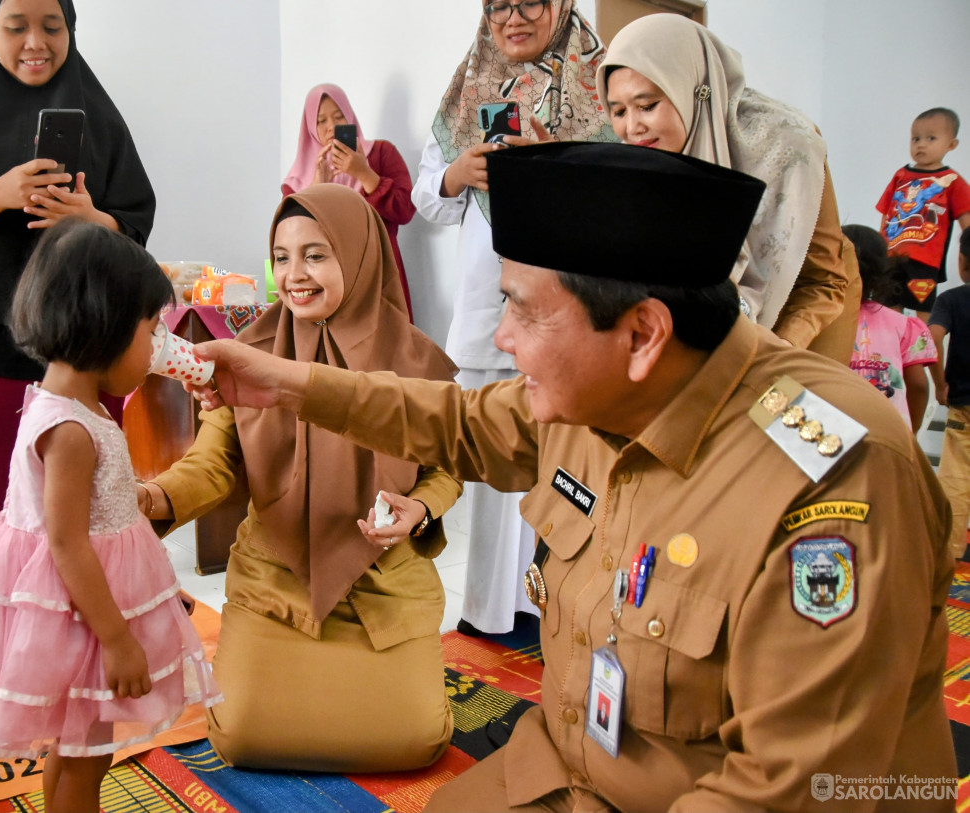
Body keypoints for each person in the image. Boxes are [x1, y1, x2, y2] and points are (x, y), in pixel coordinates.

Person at [186, 142, 955, 811]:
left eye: (521, 308)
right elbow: (450, 422)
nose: (501, 336)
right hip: (564, 771)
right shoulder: (599, 394)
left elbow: (788, 789)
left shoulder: (832, 483)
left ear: (643, 334)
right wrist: (282, 381)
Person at [138, 184, 460, 772]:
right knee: (239, 737)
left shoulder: (416, 360)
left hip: (383, 584)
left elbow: (445, 466)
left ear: (360, 257)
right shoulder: (249, 352)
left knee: (416, 740)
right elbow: (213, 462)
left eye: (316, 254)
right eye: (281, 257)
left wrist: (422, 508)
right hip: (275, 580)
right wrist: (152, 498)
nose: (294, 275)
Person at [0, 0, 156, 691]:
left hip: (81, 358)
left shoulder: (95, 113)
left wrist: (89, 217)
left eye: (53, 25)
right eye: (17, 26)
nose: (37, 43)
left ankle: (70, 679)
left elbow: (134, 223)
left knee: (82, 525)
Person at [0, 219, 219, 812]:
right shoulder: (71, 428)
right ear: (106, 325)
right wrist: (120, 641)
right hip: (86, 617)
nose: (156, 350)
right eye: (151, 332)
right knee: (85, 757)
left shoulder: (69, 403)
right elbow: (68, 544)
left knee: (73, 751)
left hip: (81, 608)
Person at [410, 0, 616, 636]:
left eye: (530, 1)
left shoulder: (601, 78)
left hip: (567, 312)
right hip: (483, 315)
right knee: (490, 472)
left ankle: (547, 604)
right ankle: (489, 613)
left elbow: (620, 189)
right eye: (499, 4)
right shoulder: (471, 80)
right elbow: (427, 202)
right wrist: (457, 173)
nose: (513, 16)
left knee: (563, 465)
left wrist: (555, 168)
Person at [598, 13, 861, 366]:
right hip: (713, 331)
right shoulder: (644, 158)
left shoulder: (788, 145)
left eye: (647, 106)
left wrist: (767, 353)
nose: (632, 127)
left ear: (694, 91)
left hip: (805, 319)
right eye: (617, 111)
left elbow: (823, 281)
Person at [282, 84, 417, 320]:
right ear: (310, 128)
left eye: (338, 116)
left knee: (387, 350)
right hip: (321, 287)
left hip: (378, 278)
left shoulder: (381, 154)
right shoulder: (297, 181)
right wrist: (316, 189)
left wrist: (364, 173)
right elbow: (290, 241)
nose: (331, 126)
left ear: (350, 116)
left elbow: (405, 210)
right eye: (321, 120)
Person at [877, 107, 970, 320]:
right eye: (915, 138)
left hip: (924, 260)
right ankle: (892, 351)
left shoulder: (951, 180)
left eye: (931, 138)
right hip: (892, 257)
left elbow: (967, 220)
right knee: (889, 309)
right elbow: (886, 212)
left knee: (924, 314)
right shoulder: (901, 175)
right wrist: (881, 247)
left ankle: (923, 351)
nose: (921, 144)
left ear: (951, 144)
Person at [843, 224, 936, 432]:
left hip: (830, 433)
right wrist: (909, 432)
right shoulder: (904, 325)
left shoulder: (813, 319)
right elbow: (919, 386)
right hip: (889, 435)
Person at [929, 229, 970, 558]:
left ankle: (950, 553)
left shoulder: (952, 300)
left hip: (962, 404)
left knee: (956, 478)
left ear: (962, 261)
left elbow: (934, 335)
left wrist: (939, 382)